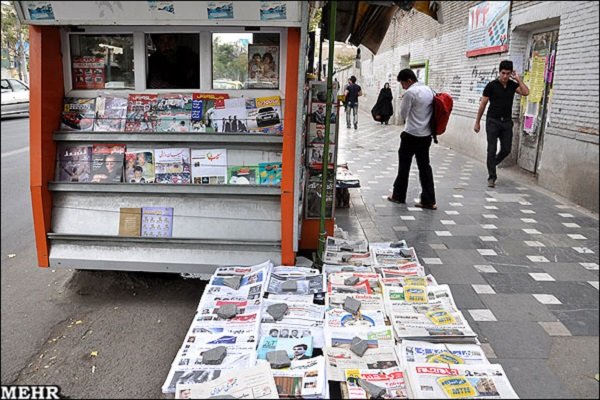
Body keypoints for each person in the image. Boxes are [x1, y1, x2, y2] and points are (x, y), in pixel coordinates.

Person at [474, 60, 529, 188]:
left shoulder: (512, 85)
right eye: (503, 73)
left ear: (511, 74)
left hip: (506, 123)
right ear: (499, 72)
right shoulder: (491, 86)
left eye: (508, 74)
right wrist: (477, 122)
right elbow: (483, 104)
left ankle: (492, 163)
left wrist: (518, 79)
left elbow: (526, 92)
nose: (505, 76)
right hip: (493, 121)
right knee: (491, 149)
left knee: (506, 149)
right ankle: (492, 177)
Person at [388, 68, 437, 210]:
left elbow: (403, 114)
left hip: (410, 135)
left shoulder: (411, 92)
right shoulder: (429, 90)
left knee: (404, 166)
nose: (402, 87)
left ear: (409, 80)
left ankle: (398, 195)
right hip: (426, 135)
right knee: (425, 167)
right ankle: (429, 200)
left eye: (403, 83)